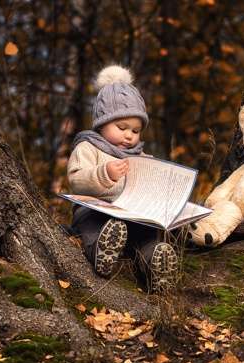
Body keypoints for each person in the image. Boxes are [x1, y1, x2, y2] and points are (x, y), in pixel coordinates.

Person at [67, 65, 179, 292]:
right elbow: (76, 179)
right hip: (96, 213)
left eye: (136, 131)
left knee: (148, 236)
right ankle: (101, 249)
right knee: (93, 225)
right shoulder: (88, 147)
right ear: (102, 123)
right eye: (122, 127)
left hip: (134, 217)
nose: (129, 135)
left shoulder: (142, 157)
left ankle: (156, 265)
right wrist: (104, 173)